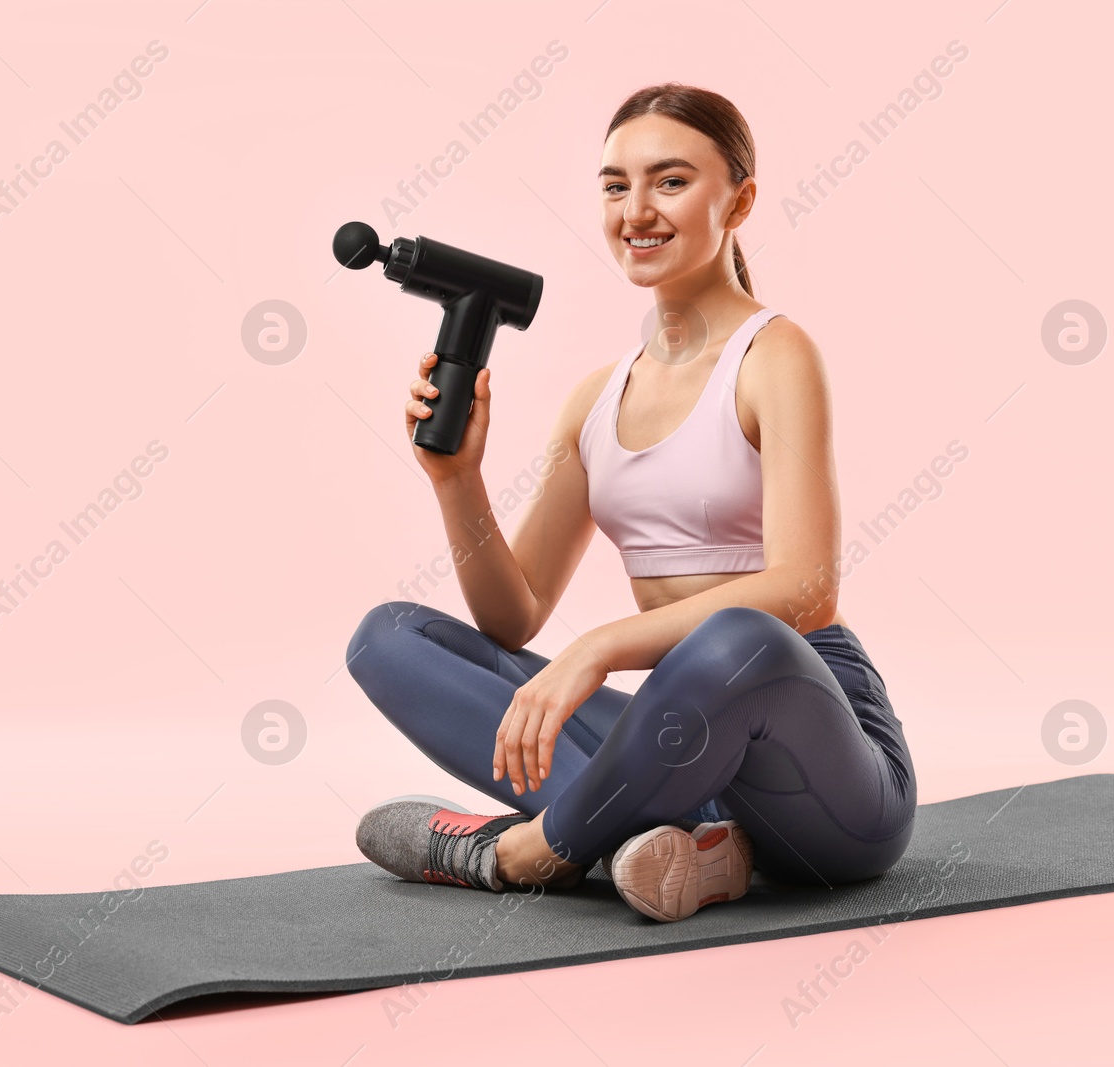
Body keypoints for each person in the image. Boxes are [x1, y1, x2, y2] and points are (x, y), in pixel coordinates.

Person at [347, 82, 916, 922]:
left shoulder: (776, 356)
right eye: (616, 185)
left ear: (740, 200)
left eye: (671, 181)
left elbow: (805, 591)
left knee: (739, 639)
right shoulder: (595, 400)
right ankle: (673, 839)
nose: (637, 210)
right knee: (390, 637)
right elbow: (514, 616)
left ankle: (525, 851)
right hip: (675, 743)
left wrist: (604, 647)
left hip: (825, 768)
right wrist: (457, 481)